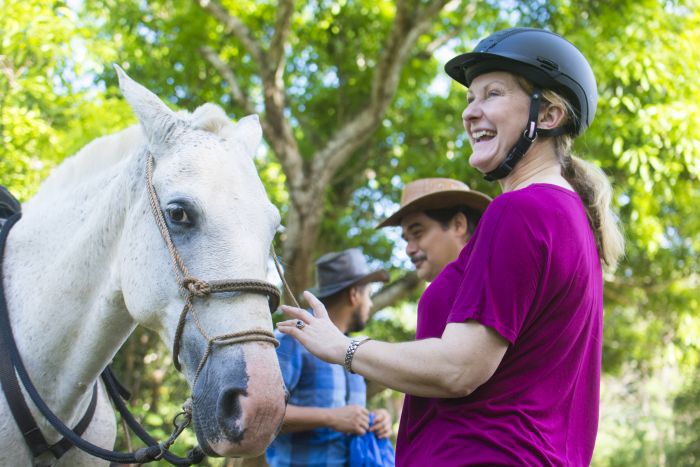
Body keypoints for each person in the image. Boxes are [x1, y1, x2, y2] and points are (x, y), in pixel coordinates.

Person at [277, 26, 625, 466]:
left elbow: (460, 368)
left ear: (550, 115)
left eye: (492, 94)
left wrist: (342, 348)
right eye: (469, 99)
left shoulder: (519, 210)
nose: (471, 113)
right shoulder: (569, 217)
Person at [266, 248, 393, 467]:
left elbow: (349, 415)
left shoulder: (354, 349)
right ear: (354, 294)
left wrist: (376, 419)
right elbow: (264, 414)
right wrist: (331, 418)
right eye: (369, 296)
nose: (370, 305)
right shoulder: (292, 340)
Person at [377, 178, 490, 283]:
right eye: (407, 240)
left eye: (417, 233)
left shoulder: (500, 282)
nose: (408, 250)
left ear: (458, 225)